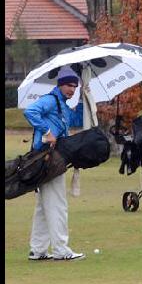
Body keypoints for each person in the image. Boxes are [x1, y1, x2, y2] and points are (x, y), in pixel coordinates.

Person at [23, 67, 87, 261]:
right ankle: (61, 250)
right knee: (58, 204)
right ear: (59, 84)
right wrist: (46, 132)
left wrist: (86, 98)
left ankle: (38, 250)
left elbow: (71, 123)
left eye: (75, 86)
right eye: (69, 85)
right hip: (47, 159)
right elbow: (30, 111)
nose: (72, 89)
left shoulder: (62, 105)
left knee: (44, 206)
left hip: (49, 158)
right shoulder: (51, 100)